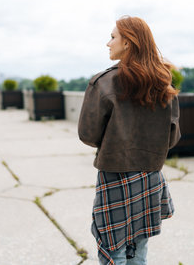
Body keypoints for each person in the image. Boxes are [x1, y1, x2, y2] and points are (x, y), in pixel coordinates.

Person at [78, 16, 181, 265]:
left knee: (113, 250)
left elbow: (88, 135)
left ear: (128, 43)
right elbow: (172, 136)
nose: (108, 43)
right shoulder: (163, 82)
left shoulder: (103, 83)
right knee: (138, 248)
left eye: (113, 37)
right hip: (150, 175)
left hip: (115, 176)